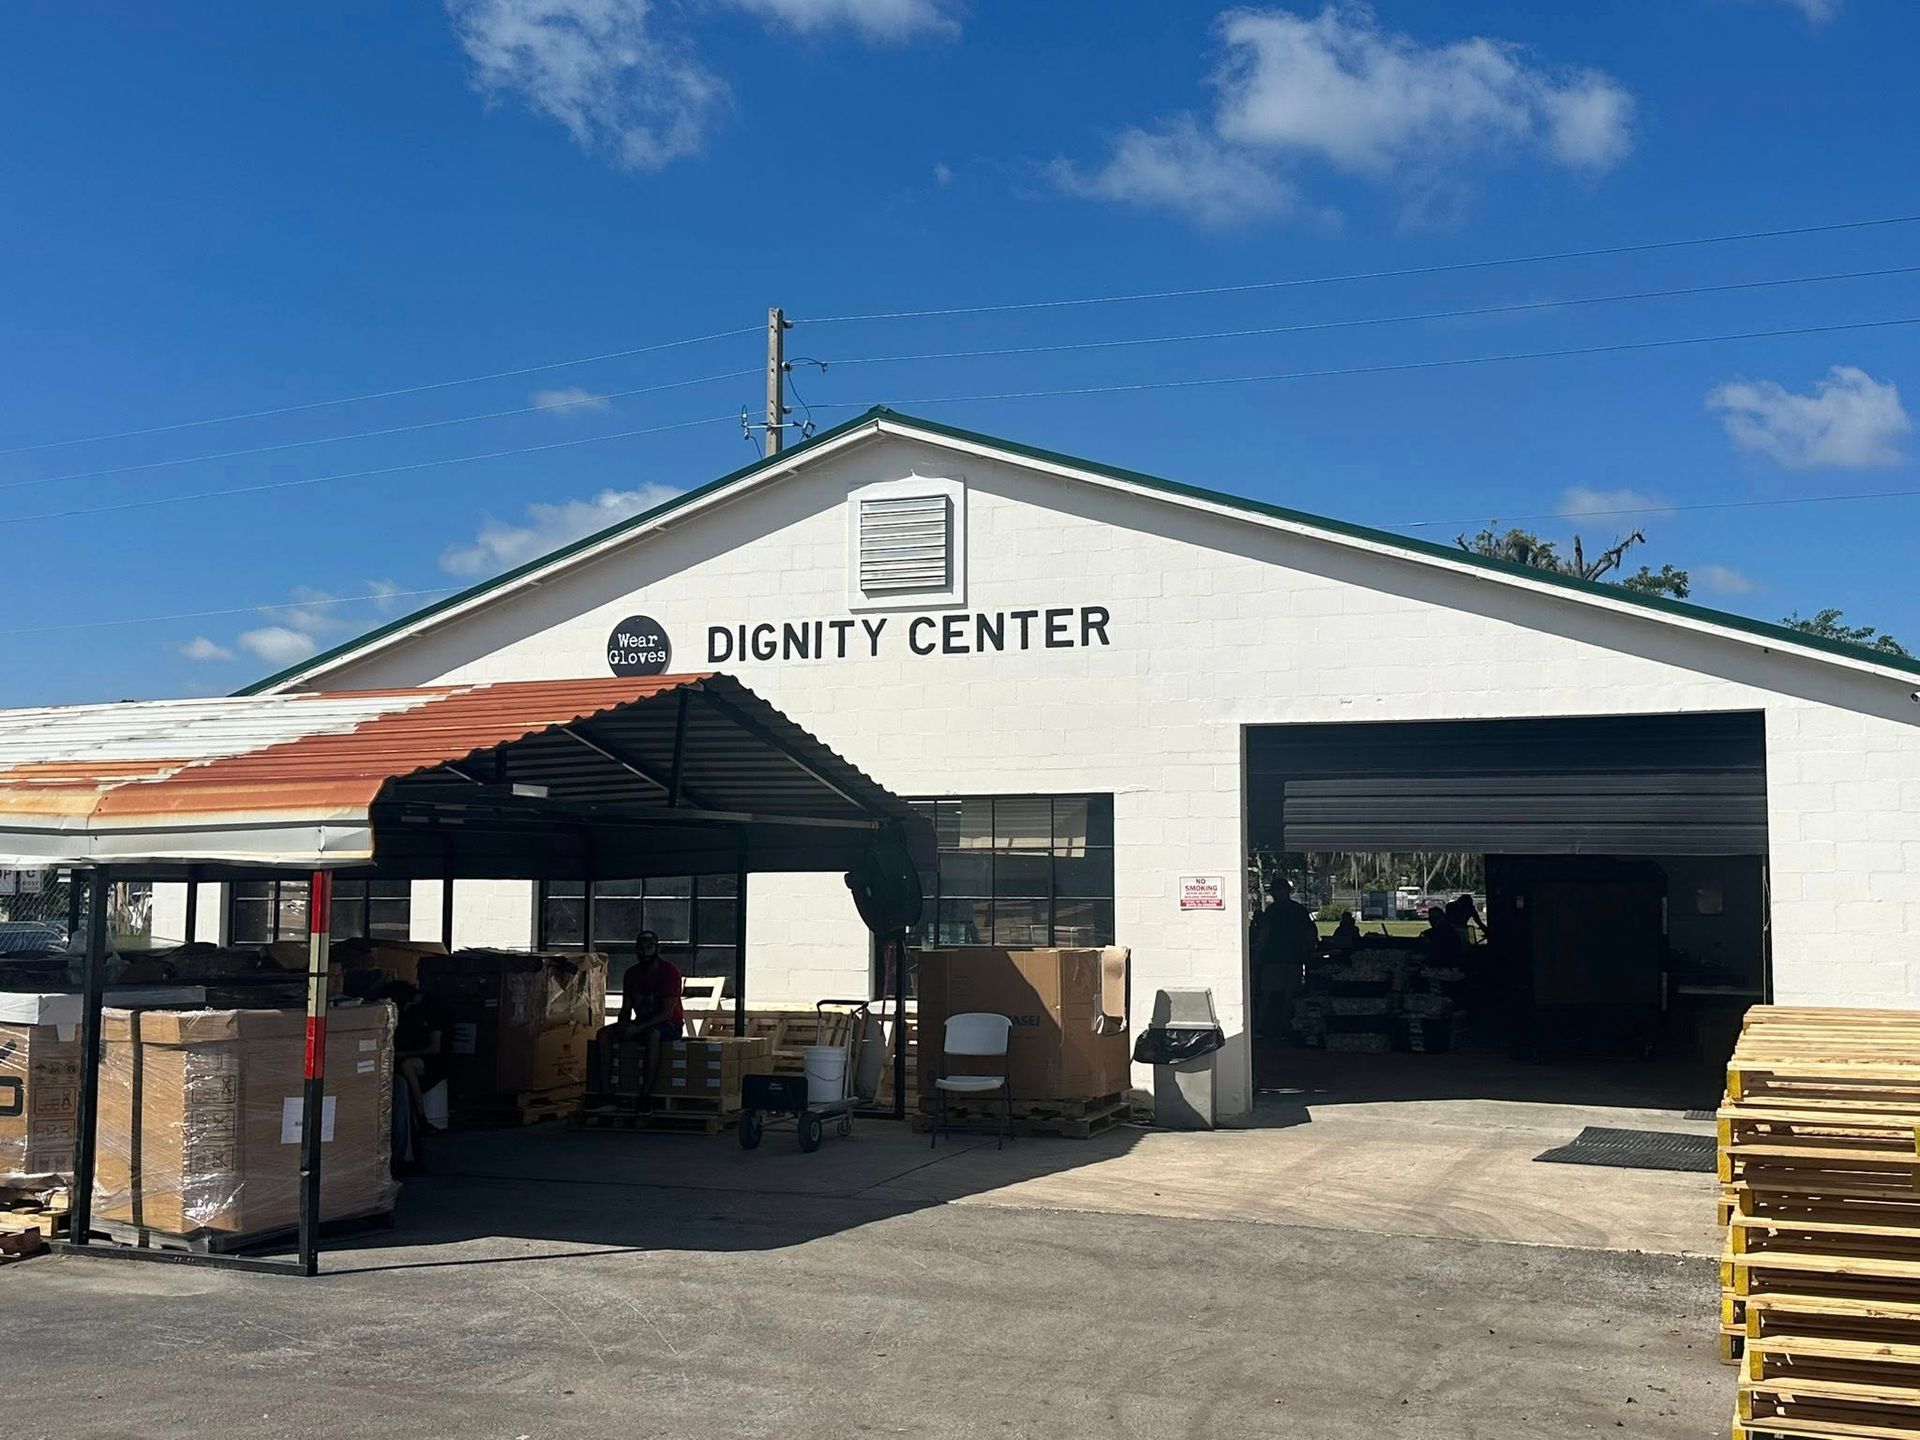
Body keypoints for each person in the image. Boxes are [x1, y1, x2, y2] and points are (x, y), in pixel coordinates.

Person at [611, 929, 684, 1109]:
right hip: (641, 1022)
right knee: (604, 1034)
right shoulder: (631, 974)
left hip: (668, 1025)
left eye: (649, 947)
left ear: (657, 949)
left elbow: (667, 1013)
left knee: (652, 1034)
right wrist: (623, 1023)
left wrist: (637, 1029)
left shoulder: (669, 972)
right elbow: (626, 1008)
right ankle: (606, 1094)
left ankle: (646, 1095)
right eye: (641, 948)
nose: (645, 952)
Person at [1256, 879, 1319, 1044]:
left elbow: (1264, 934)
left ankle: (1263, 1028)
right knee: (1285, 996)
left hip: (1277, 960)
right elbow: (1311, 933)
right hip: (1289, 959)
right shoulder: (1299, 910)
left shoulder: (1272, 911)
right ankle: (1281, 1028)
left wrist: (1258, 953)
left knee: (1270, 995)